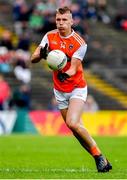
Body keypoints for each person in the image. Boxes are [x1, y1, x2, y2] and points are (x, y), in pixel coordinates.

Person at [30, 6, 112, 172]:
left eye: (64, 20)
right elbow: (33, 58)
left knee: (73, 123)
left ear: (72, 21)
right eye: (58, 20)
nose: (61, 23)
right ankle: (99, 157)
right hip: (59, 91)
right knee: (75, 129)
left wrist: (64, 74)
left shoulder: (79, 42)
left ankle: (99, 157)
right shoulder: (49, 36)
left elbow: (74, 68)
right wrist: (42, 54)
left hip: (76, 88)